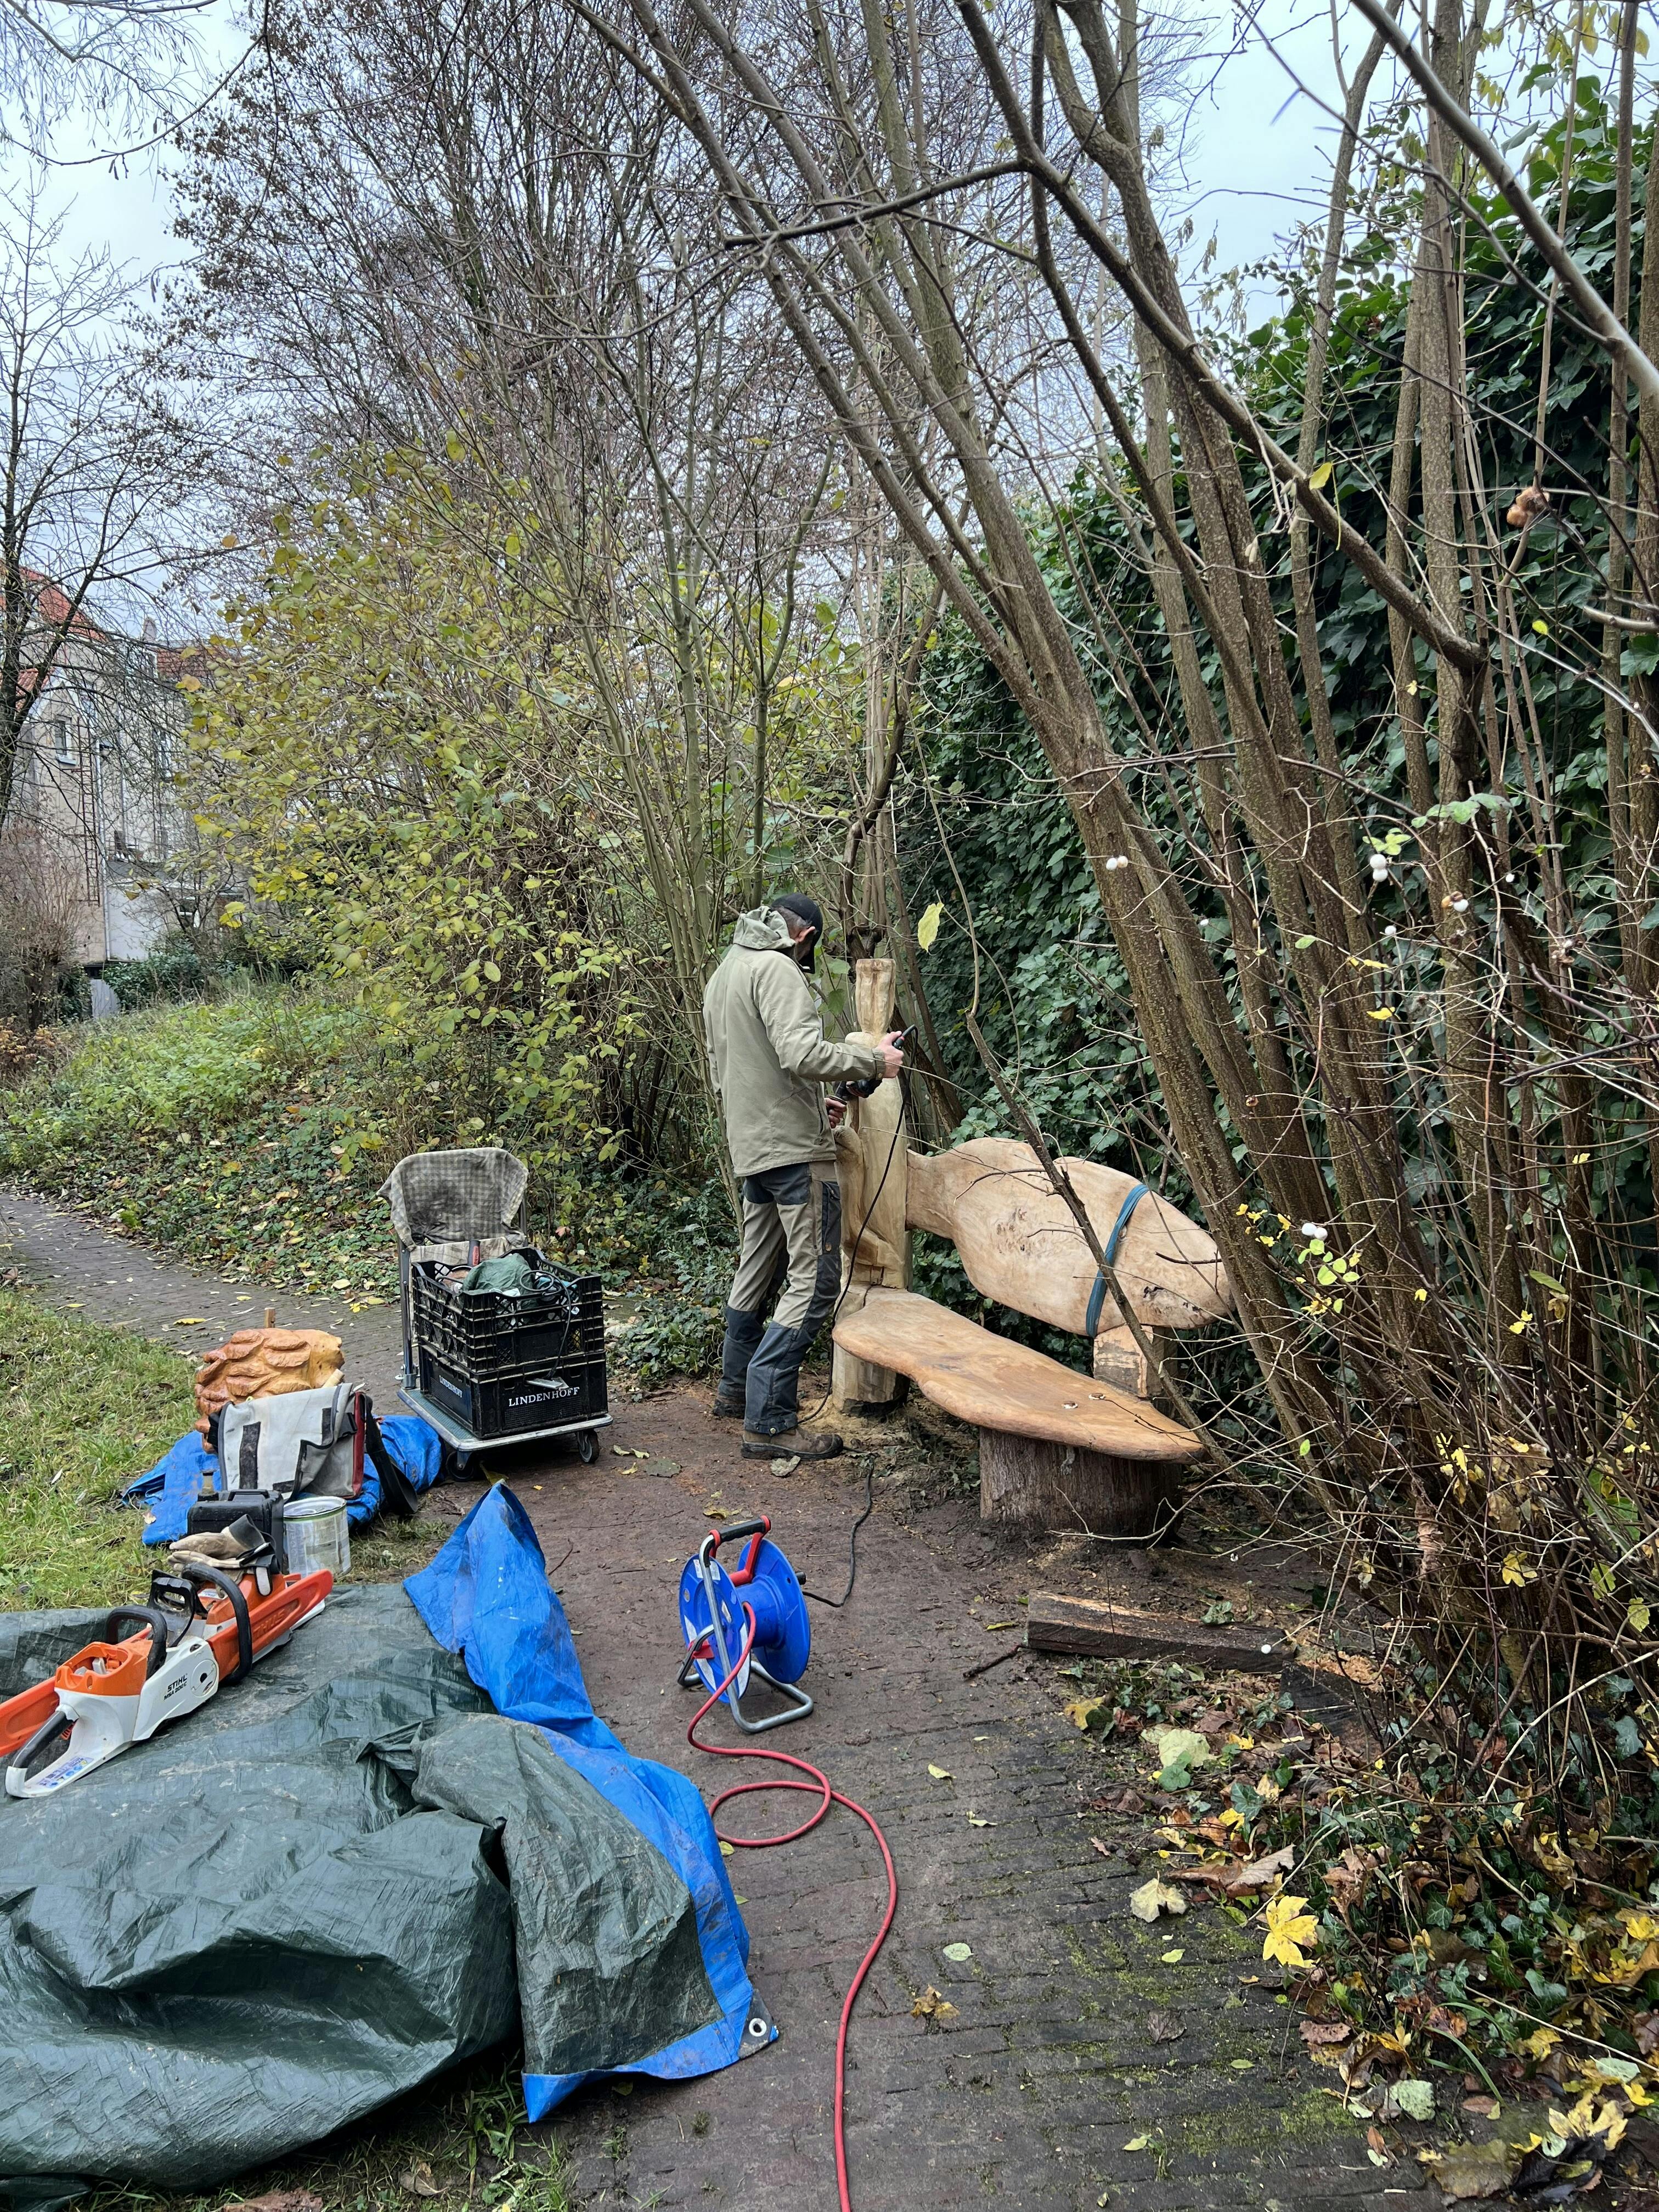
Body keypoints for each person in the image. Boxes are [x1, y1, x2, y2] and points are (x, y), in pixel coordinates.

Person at [702, 895, 905, 1459]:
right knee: (813, 1282)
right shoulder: (778, 967)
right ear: (806, 936)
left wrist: (817, 1105)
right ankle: (768, 1424)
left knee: (758, 1268)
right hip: (794, 1156)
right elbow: (799, 1051)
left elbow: (749, 1069)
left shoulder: (726, 974)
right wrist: (872, 1063)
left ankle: (736, 1392)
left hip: (754, 1149)